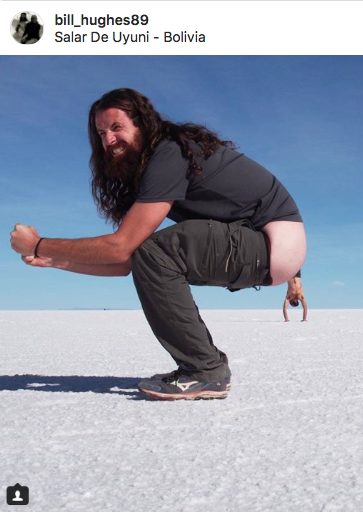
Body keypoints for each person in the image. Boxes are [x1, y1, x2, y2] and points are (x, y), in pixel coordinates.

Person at [10, 88, 307, 401]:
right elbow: (126, 262)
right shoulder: (152, 166)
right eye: (101, 133)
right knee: (151, 253)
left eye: (117, 127)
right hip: (270, 249)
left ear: (142, 124)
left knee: (157, 250)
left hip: (272, 244)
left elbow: (120, 247)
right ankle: (204, 367)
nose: (108, 140)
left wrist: (40, 244)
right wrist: (52, 259)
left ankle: (204, 371)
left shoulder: (168, 152)